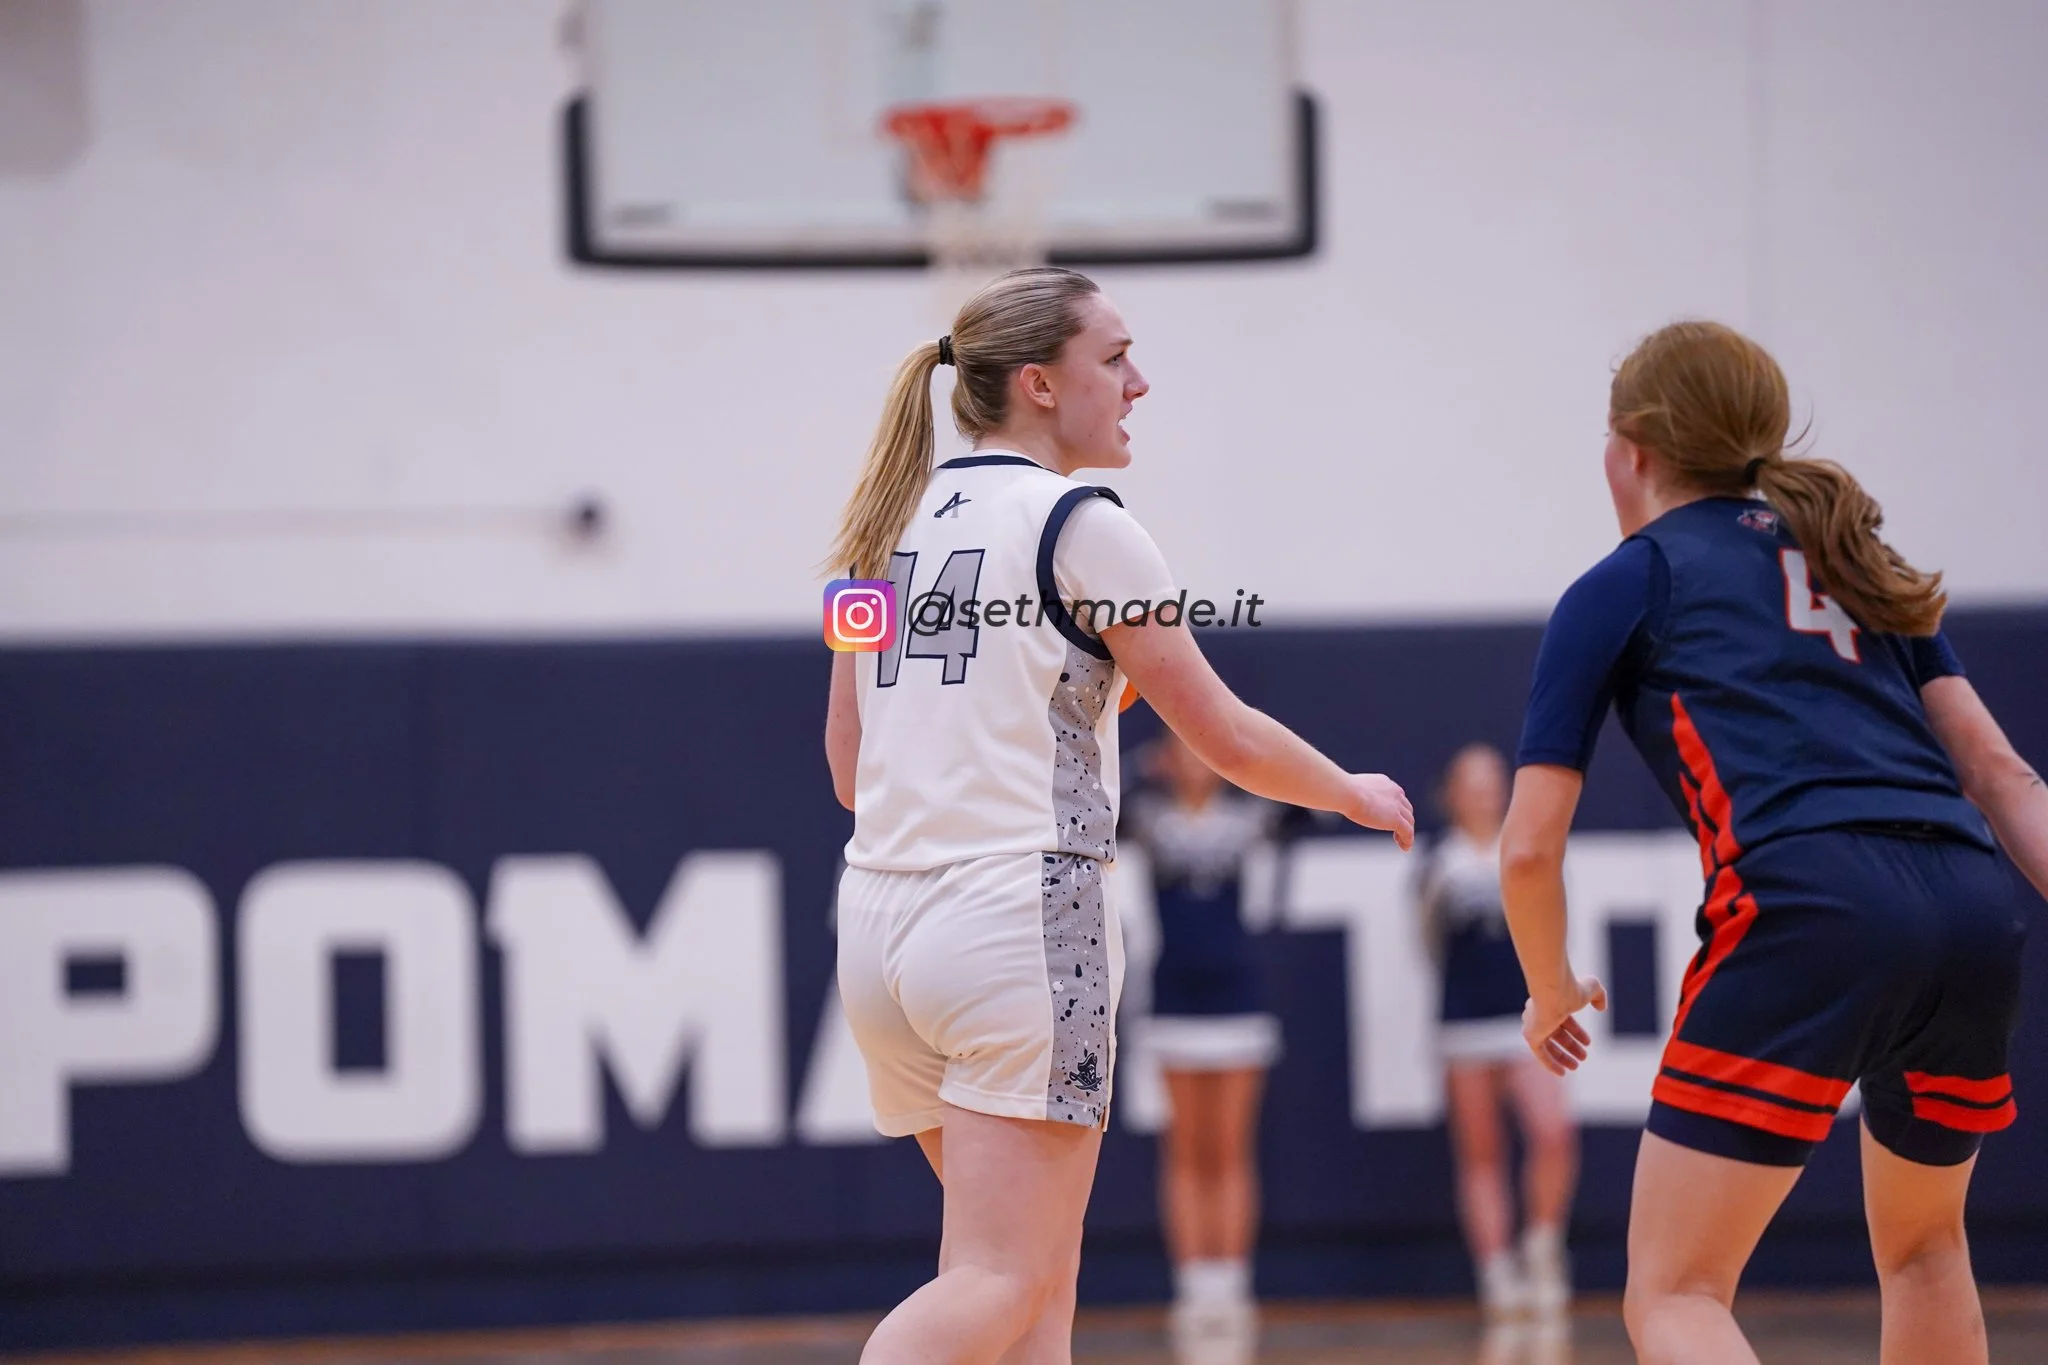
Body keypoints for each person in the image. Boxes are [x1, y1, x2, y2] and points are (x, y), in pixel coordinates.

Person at [822, 265, 1415, 1365]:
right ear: (1039, 384)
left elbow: (850, 772)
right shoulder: (1082, 523)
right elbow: (1224, 735)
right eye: (1115, 357)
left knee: (1035, 1286)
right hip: (1015, 919)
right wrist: (1347, 789)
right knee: (1002, 1279)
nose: (1139, 383)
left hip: (878, 932)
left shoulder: (881, 521)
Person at [1499, 319, 2048, 1365]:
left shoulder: (1627, 579)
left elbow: (1527, 849)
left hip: (1810, 900)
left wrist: (1549, 987)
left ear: (1631, 451)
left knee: (1675, 1291)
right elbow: (2003, 776)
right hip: (1971, 905)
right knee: (1927, 1250)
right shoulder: (1855, 554)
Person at [1121, 732, 1291, 1358]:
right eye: (1182, 753)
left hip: (1238, 995)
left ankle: (1232, 1285)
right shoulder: (1148, 819)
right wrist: (1144, 761)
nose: (1194, 764)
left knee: (1231, 1149)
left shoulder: (1249, 819)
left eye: (1203, 752)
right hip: (1174, 997)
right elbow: (1099, 803)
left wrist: (1241, 755)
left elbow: (1304, 809)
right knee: (1186, 1151)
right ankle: (1194, 1287)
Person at [1415, 743, 1577, 1320]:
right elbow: (1427, 941)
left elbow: (1552, 924)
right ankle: (1496, 1271)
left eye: (1492, 782)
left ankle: (1543, 1246)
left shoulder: (1526, 850)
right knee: (1481, 1153)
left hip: (1525, 1018)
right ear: (1452, 794)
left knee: (1553, 1132)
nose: (1484, 793)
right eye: (1472, 783)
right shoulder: (1439, 864)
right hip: (1465, 1024)